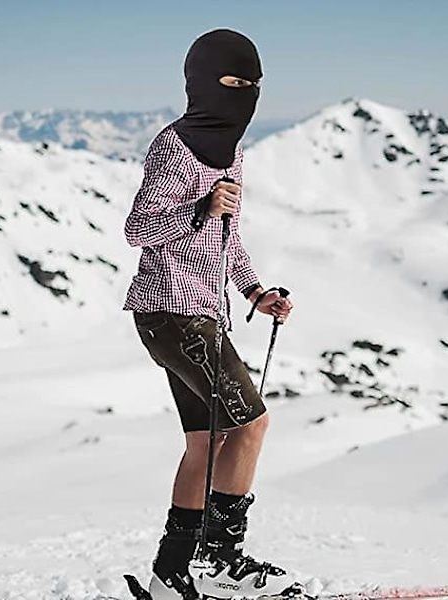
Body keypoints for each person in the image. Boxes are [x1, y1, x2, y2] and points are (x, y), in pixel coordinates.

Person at [123, 29, 297, 600]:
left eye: (253, 85)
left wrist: (253, 294)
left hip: (202, 312)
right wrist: (197, 207)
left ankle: (171, 572)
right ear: (201, 82)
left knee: (208, 440)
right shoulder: (173, 147)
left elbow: (226, 238)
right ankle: (222, 563)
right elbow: (138, 231)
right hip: (172, 313)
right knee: (250, 424)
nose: (244, 94)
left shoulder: (233, 152)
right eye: (232, 82)